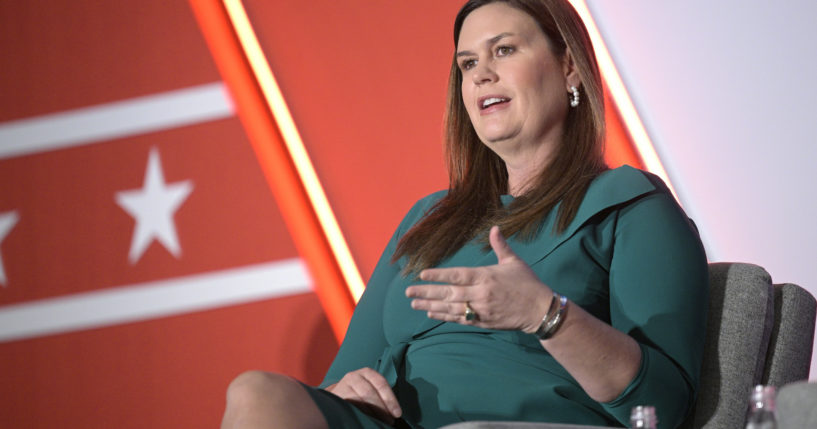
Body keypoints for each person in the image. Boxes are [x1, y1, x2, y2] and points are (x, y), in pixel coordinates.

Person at [220, 0, 709, 428]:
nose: (481, 74)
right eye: (468, 62)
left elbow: (662, 406)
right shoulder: (430, 218)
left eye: (504, 50)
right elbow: (340, 381)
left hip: (532, 426)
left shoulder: (628, 203)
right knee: (256, 392)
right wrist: (345, 390)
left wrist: (544, 314)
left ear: (569, 68)